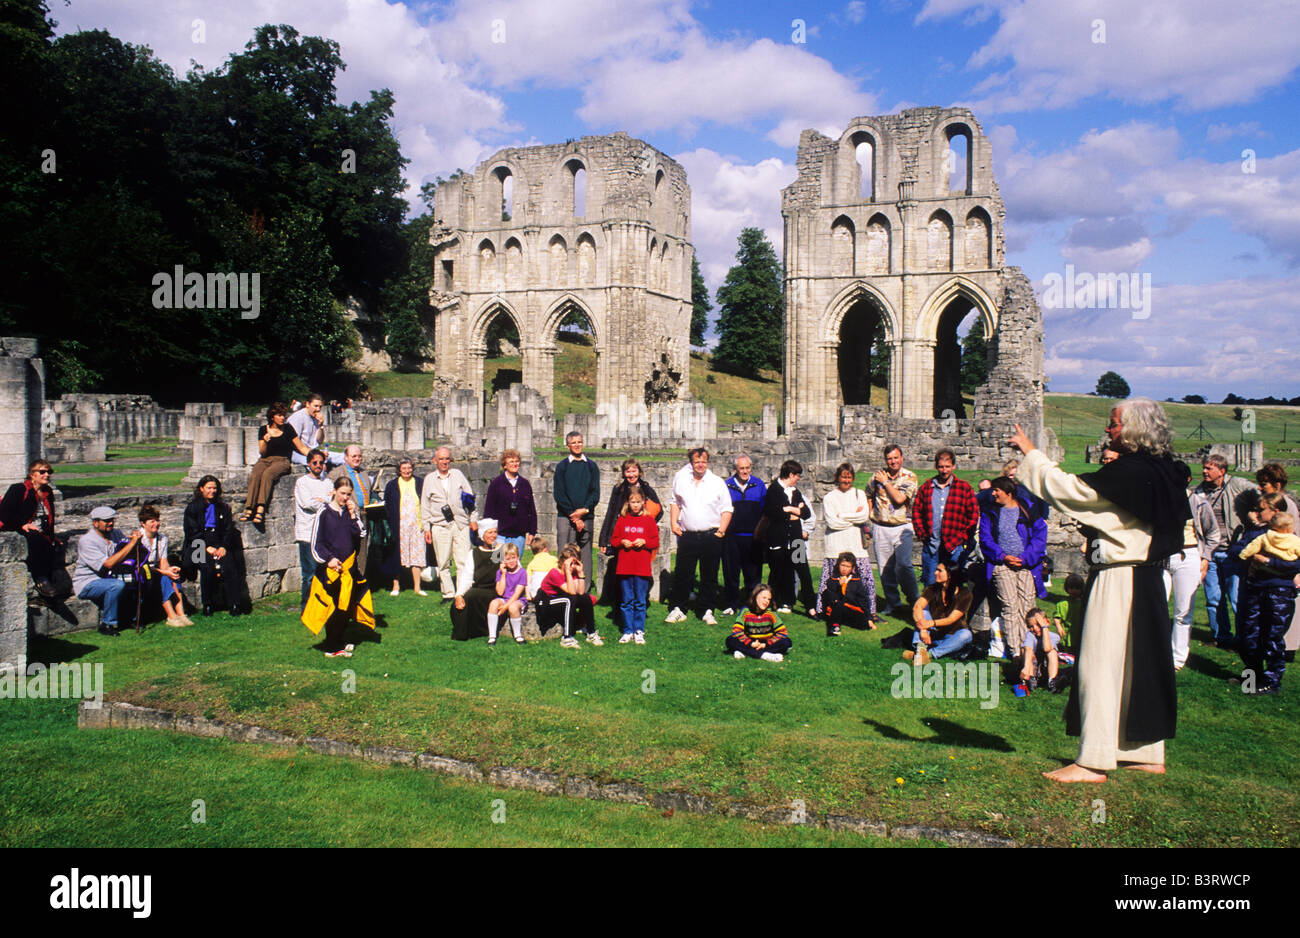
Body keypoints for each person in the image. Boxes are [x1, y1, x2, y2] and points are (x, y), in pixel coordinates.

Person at [1009, 398, 1190, 783]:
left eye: (1114, 424)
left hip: (1121, 578)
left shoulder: (1131, 473)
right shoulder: (1162, 471)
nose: (1107, 430)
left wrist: (1032, 455)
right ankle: (1144, 753)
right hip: (1150, 579)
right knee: (1140, 666)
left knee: (1100, 666)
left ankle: (1092, 761)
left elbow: (1074, 493)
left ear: (1135, 429)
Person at [1229, 494, 1299, 694]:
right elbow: (1235, 552)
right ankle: (1251, 679)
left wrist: (1268, 562)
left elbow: (1296, 564)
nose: (1256, 513)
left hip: (1279, 592)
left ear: (1275, 512)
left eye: (1261, 510)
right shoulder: (1256, 534)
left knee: (1272, 636)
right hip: (1256, 590)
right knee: (1250, 635)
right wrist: (1251, 557)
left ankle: (1271, 682)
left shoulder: (1292, 539)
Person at [304, 477, 373, 658]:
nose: (345, 497)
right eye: (342, 493)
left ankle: (338, 641)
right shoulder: (324, 513)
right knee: (332, 607)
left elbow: (362, 534)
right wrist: (329, 559)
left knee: (347, 606)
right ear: (334, 491)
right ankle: (331, 646)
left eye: (348, 494)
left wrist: (353, 515)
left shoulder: (350, 513)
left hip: (349, 569)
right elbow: (316, 544)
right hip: (331, 569)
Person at [1195, 453, 1257, 650]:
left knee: (1237, 597)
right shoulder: (1199, 491)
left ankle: (1243, 638)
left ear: (1222, 471)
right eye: (1204, 467)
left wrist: (1253, 517)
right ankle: (1221, 637)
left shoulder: (1237, 485)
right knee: (1213, 598)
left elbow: (1262, 494)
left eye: (1209, 468)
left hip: (1233, 552)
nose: (1204, 471)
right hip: (1210, 553)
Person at [979, 476, 1047, 655]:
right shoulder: (990, 511)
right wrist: (1003, 556)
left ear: (1008, 493)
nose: (993, 493)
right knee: (1009, 607)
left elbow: (1040, 536)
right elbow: (985, 539)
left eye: (996, 490)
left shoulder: (1028, 509)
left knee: (1027, 606)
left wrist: (1026, 557)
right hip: (1002, 565)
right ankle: (1015, 651)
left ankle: (1029, 649)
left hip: (1027, 565)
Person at [666, 447, 732, 625]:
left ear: (707, 462)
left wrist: (721, 531)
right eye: (697, 462)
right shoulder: (682, 480)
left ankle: (706, 609)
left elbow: (727, 508)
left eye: (703, 461)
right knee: (683, 574)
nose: (700, 465)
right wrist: (673, 523)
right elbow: (675, 502)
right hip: (687, 535)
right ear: (691, 463)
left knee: (709, 575)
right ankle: (679, 608)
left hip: (711, 535)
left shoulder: (717, 482)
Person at [1165, 460, 1218, 670]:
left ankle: (1177, 658)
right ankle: (1155, 651)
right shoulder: (1160, 501)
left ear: (1187, 480)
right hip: (1162, 556)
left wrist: (1205, 558)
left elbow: (1213, 533)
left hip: (1189, 554)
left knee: (1183, 611)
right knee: (1157, 605)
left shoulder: (1197, 502)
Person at [598, 457, 663, 619]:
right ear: (624, 473)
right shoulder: (619, 489)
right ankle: (622, 606)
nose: (631, 474)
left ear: (639, 472)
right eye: (628, 471)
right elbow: (611, 512)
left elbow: (658, 510)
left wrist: (646, 524)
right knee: (622, 572)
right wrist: (603, 539)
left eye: (634, 470)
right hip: (623, 536)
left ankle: (640, 603)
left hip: (640, 539)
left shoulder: (646, 489)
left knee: (640, 573)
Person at [818, 462, 876, 618]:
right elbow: (832, 522)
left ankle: (869, 612)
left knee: (864, 580)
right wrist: (853, 516)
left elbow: (864, 516)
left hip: (856, 545)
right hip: (835, 544)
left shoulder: (859, 494)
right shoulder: (829, 497)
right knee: (832, 581)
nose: (846, 480)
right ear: (837, 477)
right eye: (843, 477)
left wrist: (841, 515)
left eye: (849, 477)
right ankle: (825, 610)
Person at [1254, 464, 1300, 662]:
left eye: (1264, 484)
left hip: (1285, 562)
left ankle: (1286, 650)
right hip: (1280, 562)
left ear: (1277, 485)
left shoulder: (1285, 505)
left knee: (1286, 609)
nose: (1260, 488)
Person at [913, 450, 979, 587]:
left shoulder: (964, 488)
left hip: (955, 544)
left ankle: (953, 608)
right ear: (936, 467)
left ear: (954, 466)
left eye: (947, 466)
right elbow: (916, 512)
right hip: (932, 544)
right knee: (930, 583)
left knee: (955, 583)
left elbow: (973, 515)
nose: (944, 470)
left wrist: (963, 537)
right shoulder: (926, 487)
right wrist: (922, 534)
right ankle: (931, 609)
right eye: (941, 467)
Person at [182, 475, 246, 616]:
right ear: (201, 489)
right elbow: (191, 532)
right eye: (209, 488)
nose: (212, 491)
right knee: (207, 567)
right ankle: (208, 604)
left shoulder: (223, 508)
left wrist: (223, 546)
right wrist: (206, 547)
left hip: (219, 543)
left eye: (215, 488)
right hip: (198, 543)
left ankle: (234, 604)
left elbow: (228, 529)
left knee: (230, 566)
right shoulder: (192, 508)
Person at [72, 506, 140, 636]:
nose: (111, 523)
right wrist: (131, 544)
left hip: (108, 578)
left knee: (136, 579)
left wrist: (133, 540)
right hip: (88, 582)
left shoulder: (116, 533)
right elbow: (108, 564)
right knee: (116, 585)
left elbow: (125, 551)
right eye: (106, 520)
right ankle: (108, 624)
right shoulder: (87, 541)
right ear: (95, 523)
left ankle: (131, 618)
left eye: (112, 520)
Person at [0, 458, 64, 597]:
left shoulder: (47, 492)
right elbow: (4, 513)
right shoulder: (18, 489)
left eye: (49, 472)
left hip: (39, 531)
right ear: (32, 474)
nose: (47, 475)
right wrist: (22, 524)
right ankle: (41, 580)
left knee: (52, 544)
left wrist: (53, 536)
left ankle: (49, 588)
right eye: (42, 472)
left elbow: (49, 518)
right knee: (36, 540)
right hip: (19, 528)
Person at [870, 444, 920, 617]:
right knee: (885, 568)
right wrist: (871, 514)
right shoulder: (876, 475)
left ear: (902, 458)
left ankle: (915, 600)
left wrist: (885, 482)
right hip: (881, 526)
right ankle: (893, 603)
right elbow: (868, 494)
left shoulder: (910, 477)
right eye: (889, 458)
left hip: (902, 527)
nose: (893, 461)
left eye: (896, 457)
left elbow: (899, 499)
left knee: (904, 565)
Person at [240, 402, 311, 525]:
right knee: (256, 474)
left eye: (283, 415)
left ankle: (261, 508)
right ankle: (249, 508)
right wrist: (265, 442)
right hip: (265, 459)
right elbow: (262, 452)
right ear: (272, 416)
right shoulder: (263, 429)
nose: (282, 418)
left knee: (268, 474)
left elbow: (301, 448)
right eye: (279, 415)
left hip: (282, 460)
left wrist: (314, 455)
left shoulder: (288, 429)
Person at [421, 446, 476, 602]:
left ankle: (462, 591)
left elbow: (470, 497)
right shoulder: (429, 479)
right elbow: (425, 505)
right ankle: (448, 593)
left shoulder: (457, 475)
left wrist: (473, 519)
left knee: (462, 560)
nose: (444, 462)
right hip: (440, 524)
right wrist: (427, 528)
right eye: (441, 459)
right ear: (435, 461)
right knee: (443, 561)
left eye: (447, 459)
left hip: (460, 523)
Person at [762, 460, 811, 615]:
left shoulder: (795, 492)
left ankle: (810, 606)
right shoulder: (774, 490)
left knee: (803, 572)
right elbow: (773, 513)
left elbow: (806, 513)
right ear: (791, 475)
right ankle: (774, 601)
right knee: (779, 571)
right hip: (778, 539)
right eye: (797, 476)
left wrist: (791, 510)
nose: (798, 479)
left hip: (796, 540)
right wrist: (794, 511)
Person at [611, 489, 659, 644]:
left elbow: (655, 542)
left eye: (638, 502)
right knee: (626, 600)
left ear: (643, 503)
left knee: (640, 600)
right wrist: (622, 542)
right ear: (628, 503)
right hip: (625, 566)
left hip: (642, 567)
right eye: (633, 502)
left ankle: (639, 630)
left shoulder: (648, 520)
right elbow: (614, 539)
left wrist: (644, 542)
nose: (636, 505)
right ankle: (627, 630)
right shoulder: (622, 519)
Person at [721, 454, 766, 616]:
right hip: (731, 537)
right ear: (735, 469)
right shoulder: (725, 486)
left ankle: (751, 604)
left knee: (752, 574)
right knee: (731, 572)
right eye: (742, 468)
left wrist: (760, 534)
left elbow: (764, 513)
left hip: (753, 538)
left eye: (748, 468)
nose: (745, 471)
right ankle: (731, 604)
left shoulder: (759, 485)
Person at [553, 431, 600, 588]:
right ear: (567, 446)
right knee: (564, 551)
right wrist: (574, 516)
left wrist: (584, 510)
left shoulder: (592, 466)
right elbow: (559, 494)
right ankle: (565, 586)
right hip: (565, 517)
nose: (577, 445)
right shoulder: (562, 467)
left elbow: (595, 493)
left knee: (585, 553)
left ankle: (584, 588)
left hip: (586, 516)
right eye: (573, 443)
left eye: (579, 442)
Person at [904, 560, 973, 664]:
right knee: (923, 612)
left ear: (949, 575)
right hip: (933, 633)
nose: (935, 573)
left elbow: (951, 619)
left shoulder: (965, 594)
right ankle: (920, 648)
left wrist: (930, 623)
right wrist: (923, 629)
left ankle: (929, 654)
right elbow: (917, 607)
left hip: (952, 635)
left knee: (966, 635)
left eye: (939, 571)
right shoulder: (932, 589)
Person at [134, 504, 192, 627]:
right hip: (143, 571)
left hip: (156, 569)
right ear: (143, 524)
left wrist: (169, 569)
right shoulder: (138, 538)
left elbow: (163, 560)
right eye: (152, 521)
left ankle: (181, 614)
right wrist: (165, 572)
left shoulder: (161, 538)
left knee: (174, 576)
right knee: (165, 577)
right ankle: (171, 616)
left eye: (157, 520)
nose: (156, 524)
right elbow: (140, 564)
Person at [535, 543, 601, 649]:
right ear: (562, 562)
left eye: (575, 563)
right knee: (569, 600)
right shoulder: (555, 573)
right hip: (546, 601)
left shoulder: (573, 572)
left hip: (562, 599)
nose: (572, 567)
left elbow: (580, 592)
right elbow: (571, 592)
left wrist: (580, 573)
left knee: (587, 598)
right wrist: (567, 570)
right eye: (570, 564)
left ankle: (591, 632)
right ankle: (567, 637)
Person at [331, 445, 382, 578]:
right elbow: (331, 495)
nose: (357, 459)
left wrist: (374, 500)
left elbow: (370, 492)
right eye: (354, 456)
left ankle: (359, 582)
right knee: (347, 550)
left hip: (364, 515)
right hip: (346, 517)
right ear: (346, 457)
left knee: (362, 552)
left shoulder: (363, 473)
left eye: (359, 456)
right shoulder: (337, 473)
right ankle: (345, 583)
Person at [450, 519, 503, 642]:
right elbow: (467, 577)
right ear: (482, 535)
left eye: (495, 532)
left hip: (496, 590)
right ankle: (463, 633)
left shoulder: (501, 551)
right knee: (462, 601)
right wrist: (459, 595)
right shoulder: (474, 553)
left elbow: (517, 570)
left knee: (473, 596)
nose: (493, 535)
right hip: (478, 588)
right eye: (489, 533)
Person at [294, 449, 334, 610]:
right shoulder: (302, 482)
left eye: (321, 462)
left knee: (324, 572)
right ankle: (306, 607)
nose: (318, 465)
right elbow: (308, 504)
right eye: (315, 463)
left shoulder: (327, 481)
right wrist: (327, 499)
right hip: (307, 533)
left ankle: (322, 606)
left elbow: (334, 500)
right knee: (309, 574)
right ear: (309, 464)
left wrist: (322, 500)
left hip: (324, 534)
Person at [382, 458, 428, 597]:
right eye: (404, 468)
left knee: (417, 555)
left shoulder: (420, 482)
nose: (407, 471)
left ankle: (417, 587)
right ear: (399, 470)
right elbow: (388, 506)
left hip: (416, 525)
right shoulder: (392, 485)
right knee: (397, 555)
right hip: (399, 526)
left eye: (409, 468)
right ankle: (396, 585)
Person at [484, 449, 538, 559]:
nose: (515, 464)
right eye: (511, 462)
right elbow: (489, 510)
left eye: (517, 461)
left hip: (519, 535)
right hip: (500, 534)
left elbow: (531, 510)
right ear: (505, 465)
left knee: (515, 565)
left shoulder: (525, 484)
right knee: (497, 564)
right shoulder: (496, 484)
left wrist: (532, 532)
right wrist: (488, 533)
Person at [727, 584, 790, 662]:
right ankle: (764, 655)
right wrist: (751, 643)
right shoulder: (746, 611)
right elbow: (736, 630)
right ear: (755, 596)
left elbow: (783, 632)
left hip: (766, 643)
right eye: (764, 598)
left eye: (769, 599)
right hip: (749, 642)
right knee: (730, 640)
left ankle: (745, 652)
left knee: (786, 642)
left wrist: (766, 644)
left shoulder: (771, 612)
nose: (766, 601)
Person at [820, 551, 875, 636]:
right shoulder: (833, 579)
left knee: (864, 625)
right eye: (843, 565)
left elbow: (862, 600)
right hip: (837, 607)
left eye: (848, 566)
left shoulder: (856, 581)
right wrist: (839, 586)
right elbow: (832, 597)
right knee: (835, 602)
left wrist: (869, 618)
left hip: (851, 608)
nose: (844, 569)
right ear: (838, 565)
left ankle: (845, 621)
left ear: (852, 568)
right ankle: (835, 626)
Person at [488, 542, 528, 646]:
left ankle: (517, 635)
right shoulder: (500, 572)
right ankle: (492, 636)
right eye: (508, 559)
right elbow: (500, 592)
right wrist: (504, 574)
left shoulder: (522, 572)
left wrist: (505, 607)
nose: (511, 561)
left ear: (518, 557)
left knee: (513, 607)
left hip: (517, 600)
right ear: (503, 560)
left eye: (513, 558)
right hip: (505, 598)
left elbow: (517, 594)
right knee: (493, 603)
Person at [287, 394, 344, 467]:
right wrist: (317, 455)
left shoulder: (315, 418)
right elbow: (295, 444)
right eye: (316, 406)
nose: (318, 409)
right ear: (308, 404)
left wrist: (321, 426)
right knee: (318, 462)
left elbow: (320, 441)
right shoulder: (298, 417)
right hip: (297, 453)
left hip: (313, 451)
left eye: (320, 407)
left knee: (344, 457)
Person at [1019, 608, 1064, 693]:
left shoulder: (1054, 636)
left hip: (1046, 669)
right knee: (1025, 651)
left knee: (1052, 652)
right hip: (1033, 668)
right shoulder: (1030, 635)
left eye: (1038, 624)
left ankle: (1052, 682)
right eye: (1031, 626)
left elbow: (1047, 648)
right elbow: (1028, 649)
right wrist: (1026, 667)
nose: (1035, 629)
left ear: (1047, 622)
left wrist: (1044, 627)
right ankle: (1031, 681)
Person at [1053, 573, 1085, 652]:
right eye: (1071, 588)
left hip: (1080, 630)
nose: (1074, 590)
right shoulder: (1062, 604)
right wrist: (1059, 627)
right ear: (1066, 588)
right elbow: (1057, 617)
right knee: (1068, 649)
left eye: (1077, 588)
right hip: (1068, 632)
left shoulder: (1084, 603)